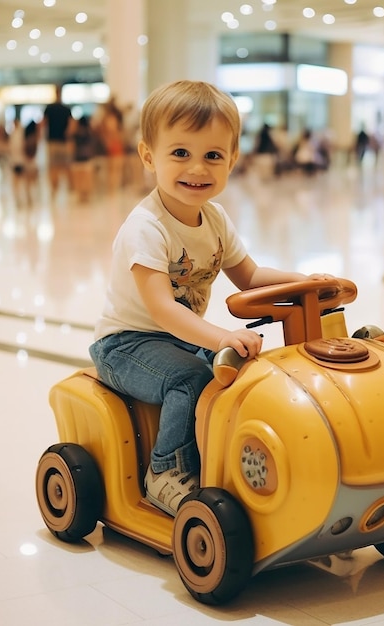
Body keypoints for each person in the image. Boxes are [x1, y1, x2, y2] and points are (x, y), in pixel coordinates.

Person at [88, 80, 332, 517]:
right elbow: (162, 309)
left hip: (176, 338)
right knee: (190, 379)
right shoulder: (147, 228)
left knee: (244, 373)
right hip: (127, 343)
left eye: (212, 156)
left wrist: (304, 282)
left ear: (232, 160)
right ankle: (164, 472)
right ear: (149, 157)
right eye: (180, 153)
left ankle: (222, 458)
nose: (197, 168)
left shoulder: (215, 218)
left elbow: (250, 275)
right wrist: (220, 335)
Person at [43, 84, 73, 199]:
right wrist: (68, 136)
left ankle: (54, 190)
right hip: (63, 142)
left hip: (52, 142)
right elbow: (71, 125)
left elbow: (43, 124)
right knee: (65, 166)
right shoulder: (66, 109)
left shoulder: (49, 108)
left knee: (53, 167)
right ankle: (68, 190)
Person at [70, 115, 96, 203]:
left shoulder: (75, 133)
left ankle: (80, 196)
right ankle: (86, 196)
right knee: (87, 179)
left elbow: (72, 146)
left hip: (77, 159)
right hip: (87, 159)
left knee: (79, 179)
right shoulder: (89, 133)